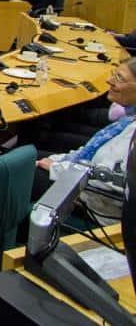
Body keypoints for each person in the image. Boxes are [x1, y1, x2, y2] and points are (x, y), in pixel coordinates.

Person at [33, 58, 136, 225]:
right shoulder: (128, 119)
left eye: (119, 78)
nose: (109, 81)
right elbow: (94, 151)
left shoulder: (132, 133)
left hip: (93, 204)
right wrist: (60, 160)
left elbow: (106, 180)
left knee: (19, 172)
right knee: (29, 155)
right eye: (113, 75)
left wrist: (57, 168)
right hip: (84, 178)